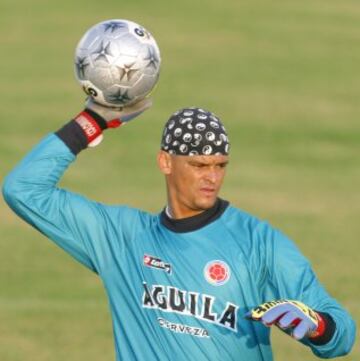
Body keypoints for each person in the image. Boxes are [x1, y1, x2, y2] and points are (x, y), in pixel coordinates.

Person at [2, 98, 356, 361]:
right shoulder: (120, 238)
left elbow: (343, 336)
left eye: (220, 165)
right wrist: (92, 120)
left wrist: (318, 326)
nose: (212, 177)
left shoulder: (259, 242)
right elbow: (24, 189)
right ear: (165, 162)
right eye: (199, 164)